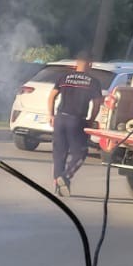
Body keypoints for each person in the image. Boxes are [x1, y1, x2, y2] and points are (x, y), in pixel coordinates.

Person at [46, 56, 104, 196]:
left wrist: (51, 115)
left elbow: (51, 96)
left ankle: (59, 187)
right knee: (80, 153)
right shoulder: (93, 82)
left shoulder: (64, 78)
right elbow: (96, 104)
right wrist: (91, 119)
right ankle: (65, 177)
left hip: (60, 119)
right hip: (77, 121)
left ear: (76, 63)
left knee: (59, 154)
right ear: (89, 64)